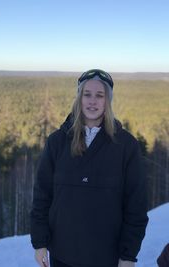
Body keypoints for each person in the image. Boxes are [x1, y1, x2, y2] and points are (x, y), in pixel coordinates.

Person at [30, 69, 149, 267]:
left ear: (107, 101)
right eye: (87, 94)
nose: (92, 101)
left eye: (99, 95)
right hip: (62, 256)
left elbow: (136, 206)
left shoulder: (126, 146)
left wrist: (128, 255)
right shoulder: (57, 142)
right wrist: (40, 242)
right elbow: (42, 196)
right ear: (79, 98)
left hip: (106, 258)